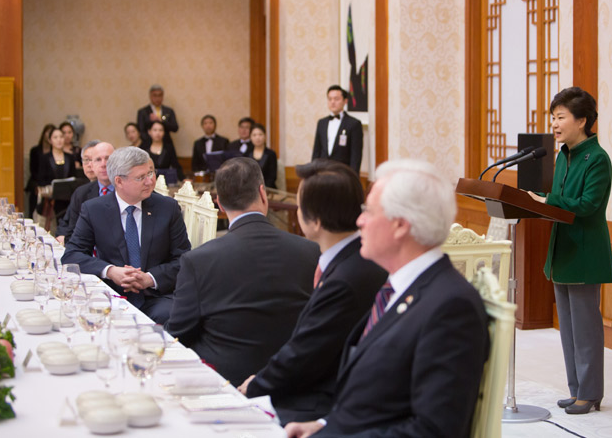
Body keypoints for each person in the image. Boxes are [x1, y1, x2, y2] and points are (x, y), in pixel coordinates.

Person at [285, 159, 488, 438]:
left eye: (368, 211)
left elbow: (433, 430)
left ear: (400, 226)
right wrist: (323, 426)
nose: (359, 221)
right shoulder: (398, 287)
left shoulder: (451, 307)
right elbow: (375, 398)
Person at [238, 159, 387, 424]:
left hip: (323, 403)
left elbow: (305, 353)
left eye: (299, 205)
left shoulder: (348, 277)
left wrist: (256, 385)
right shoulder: (354, 258)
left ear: (315, 221)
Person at [166, 157, 319, 385]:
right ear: (263, 193)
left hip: (224, 383)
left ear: (219, 204)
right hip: (294, 379)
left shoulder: (197, 260)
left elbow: (177, 336)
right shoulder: (311, 251)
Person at [528, 87, 612, 415]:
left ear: (582, 120)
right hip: (562, 251)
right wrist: (535, 198)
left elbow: (588, 206)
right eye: (553, 117)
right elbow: (559, 201)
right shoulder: (563, 155)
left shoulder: (598, 159)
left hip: (585, 252)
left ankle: (590, 393)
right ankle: (577, 389)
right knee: (568, 328)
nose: (554, 124)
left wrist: (547, 200)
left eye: (560, 117)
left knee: (586, 328)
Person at [62, 147, 191, 324]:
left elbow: (183, 260)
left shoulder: (167, 208)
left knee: (174, 316)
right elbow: (72, 255)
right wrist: (110, 271)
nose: (149, 181)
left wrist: (149, 278)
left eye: (150, 173)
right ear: (119, 181)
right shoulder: (94, 209)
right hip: (109, 295)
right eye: (140, 177)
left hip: (155, 297)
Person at [55, 142, 114, 245]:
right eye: (98, 160)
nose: (103, 164)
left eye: (107, 159)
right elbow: (70, 228)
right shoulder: (81, 193)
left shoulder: (126, 190)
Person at [311, 85, 363, 174]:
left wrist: (353, 177)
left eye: (336, 99)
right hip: (322, 173)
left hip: (342, 174)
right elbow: (316, 151)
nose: (332, 102)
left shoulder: (353, 124)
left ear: (345, 101)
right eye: (330, 99)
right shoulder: (322, 123)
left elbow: (356, 155)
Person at [36, 127, 77, 216]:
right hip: (50, 200)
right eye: (55, 137)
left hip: (67, 199)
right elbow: (40, 180)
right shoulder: (45, 158)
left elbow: (74, 178)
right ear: (50, 140)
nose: (59, 140)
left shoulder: (70, 158)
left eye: (61, 137)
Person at [27, 123, 56, 217]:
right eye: (48, 132)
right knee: (36, 190)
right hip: (36, 180)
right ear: (44, 134)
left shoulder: (54, 153)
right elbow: (33, 170)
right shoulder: (35, 150)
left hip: (50, 182)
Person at [248, 123, 277, 189]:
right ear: (250, 137)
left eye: (260, 134)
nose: (257, 137)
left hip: (268, 190)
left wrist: (262, 190)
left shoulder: (271, 154)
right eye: (254, 135)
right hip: (250, 191)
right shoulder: (247, 154)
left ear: (265, 136)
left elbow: (272, 177)